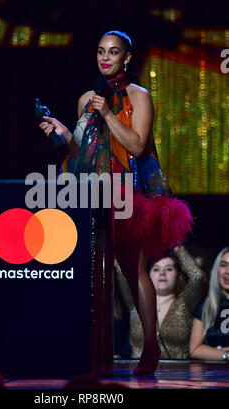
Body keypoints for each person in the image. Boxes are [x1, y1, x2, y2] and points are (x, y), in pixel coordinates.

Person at [39, 30, 193, 374]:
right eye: (99, 52)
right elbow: (82, 154)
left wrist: (108, 114)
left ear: (126, 58)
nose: (105, 58)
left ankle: (150, 345)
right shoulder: (85, 100)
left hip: (129, 192)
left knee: (133, 268)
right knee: (91, 272)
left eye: (113, 52)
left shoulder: (139, 96)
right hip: (93, 190)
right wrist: (63, 133)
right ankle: (93, 347)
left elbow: (137, 146)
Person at [123, 246, 205, 360]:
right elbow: (120, 268)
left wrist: (176, 245)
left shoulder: (186, 302)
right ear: (146, 276)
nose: (162, 273)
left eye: (169, 269)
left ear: (179, 276)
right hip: (139, 375)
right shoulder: (135, 301)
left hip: (177, 375)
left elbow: (197, 277)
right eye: (156, 269)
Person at [189, 246, 229, 361]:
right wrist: (225, 355)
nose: (227, 271)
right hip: (213, 375)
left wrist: (213, 352)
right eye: (223, 265)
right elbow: (195, 350)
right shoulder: (206, 306)